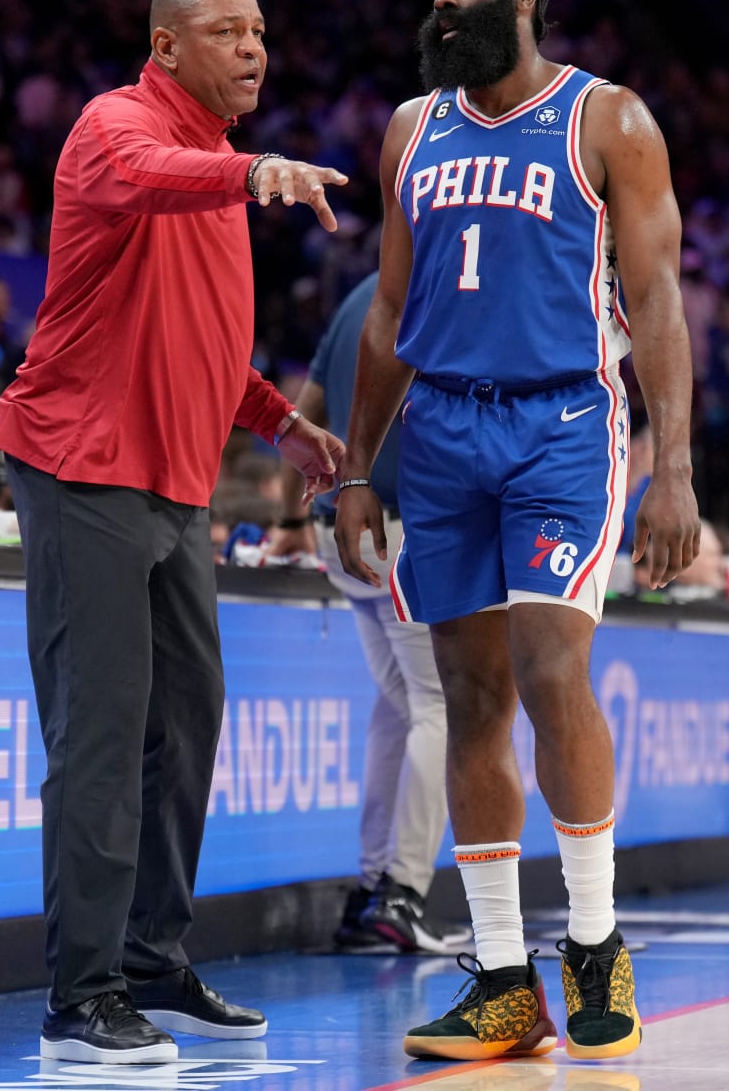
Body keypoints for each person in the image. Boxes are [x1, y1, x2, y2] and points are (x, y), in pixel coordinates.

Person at [332, 0, 700, 1063]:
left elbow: (658, 297)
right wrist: (356, 468)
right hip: (442, 430)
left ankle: (592, 939)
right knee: (470, 696)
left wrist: (675, 468)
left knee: (549, 671)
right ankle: (501, 978)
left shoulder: (608, 119)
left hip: (563, 424)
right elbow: (388, 311)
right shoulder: (412, 128)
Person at [0, 0, 346, 1065]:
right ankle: (81, 995)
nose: (253, 50)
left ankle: (151, 960)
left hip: (176, 481)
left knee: (186, 721)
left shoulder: (216, 180)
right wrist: (253, 171)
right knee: (101, 733)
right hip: (85, 467)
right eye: (227, 31)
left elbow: (200, 340)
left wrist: (281, 422)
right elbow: (150, 175)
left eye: (260, 32)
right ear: (165, 46)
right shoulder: (118, 128)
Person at [266, 272, 463, 955]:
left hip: (338, 526)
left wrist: (292, 513)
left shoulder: (359, 295)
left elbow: (306, 407)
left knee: (400, 702)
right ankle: (402, 891)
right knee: (440, 705)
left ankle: (373, 887)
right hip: (401, 522)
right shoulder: (443, 285)